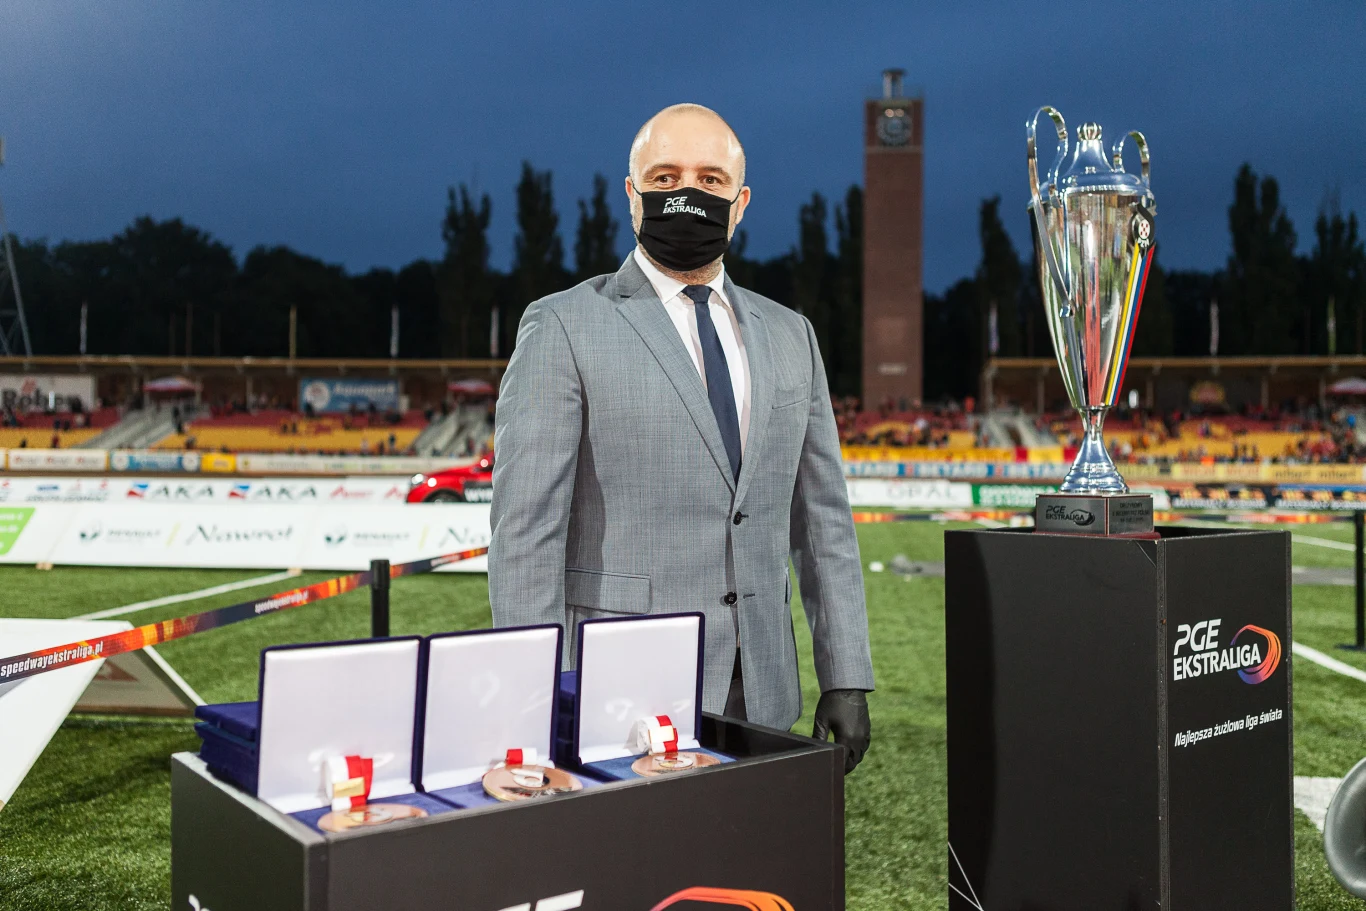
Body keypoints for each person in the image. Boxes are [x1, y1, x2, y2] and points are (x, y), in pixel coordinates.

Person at [489, 103, 873, 772]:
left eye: (710, 180)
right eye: (665, 178)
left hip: (762, 693)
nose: (687, 196)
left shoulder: (793, 335)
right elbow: (525, 534)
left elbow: (823, 522)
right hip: (617, 694)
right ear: (632, 195)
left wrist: (844, 674)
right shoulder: (563, 325)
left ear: (740, 202)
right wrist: (532, 696)